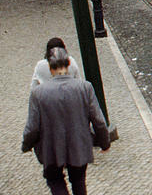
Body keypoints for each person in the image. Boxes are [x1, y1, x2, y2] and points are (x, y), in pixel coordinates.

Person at [22, 47, 110, 195]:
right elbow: (99, 120)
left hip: (51, 149)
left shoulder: (38, 93)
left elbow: (32, 128)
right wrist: (104, 142)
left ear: (50, 68)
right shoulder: (84, 87)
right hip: (78, 146)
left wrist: (26, 145)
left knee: (55, 181)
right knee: (78, 181)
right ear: (68, 64)